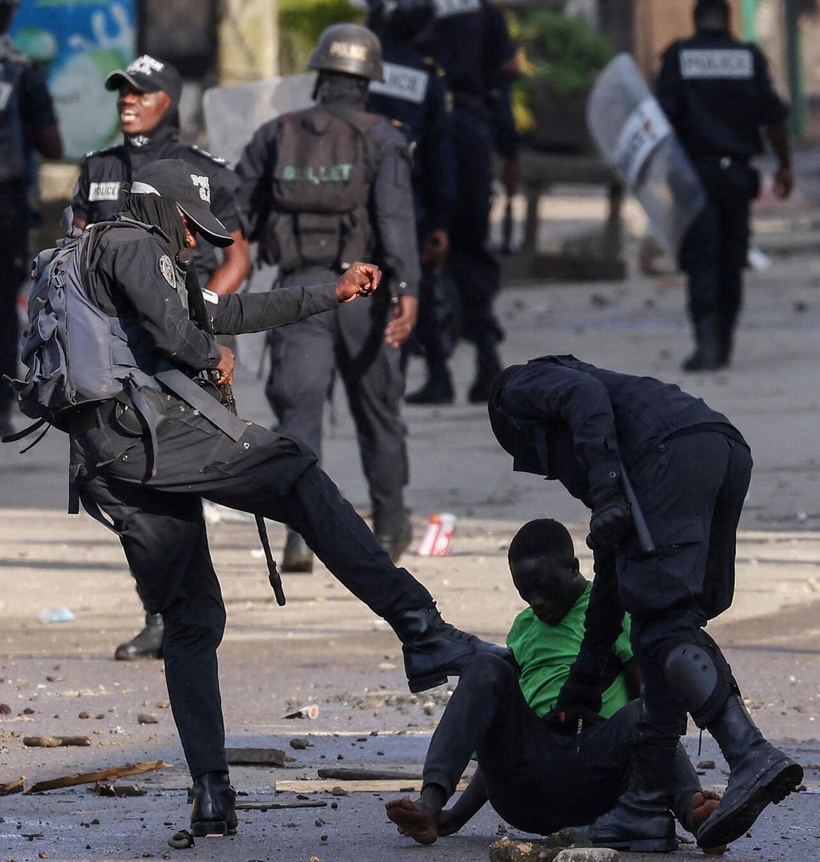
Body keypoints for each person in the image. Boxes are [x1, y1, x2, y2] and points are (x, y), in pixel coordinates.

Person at [46, 157, 507, 836]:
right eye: (191, 227)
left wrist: (331, 293)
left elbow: (227, 310)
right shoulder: (135, 244)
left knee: (191, 619)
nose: (196, 243)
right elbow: (183, 334)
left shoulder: (114, 255)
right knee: (293, 471)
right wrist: (210, 356)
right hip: (147, 442)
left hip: (109, 461)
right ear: (162, 209)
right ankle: (422, 630)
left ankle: (211, 793)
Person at [487, 355, 803, 852]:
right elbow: (613, 574)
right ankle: (645, 808)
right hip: (719, 446)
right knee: (656, 621)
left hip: (671, 454)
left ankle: (749, 753)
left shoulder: (520, 389)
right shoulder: (617, 437)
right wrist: (584, 682)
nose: (553, 471)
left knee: (662, 625)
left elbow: (582, 396)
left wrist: (606, 488)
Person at [385, 519, 724, 853]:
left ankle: (696, 815)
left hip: (595, 774)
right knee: (485, 666)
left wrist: (649, 802)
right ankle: (430, 803)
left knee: (649, 713)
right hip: (525, 791)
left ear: (574, 567)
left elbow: (651, 715)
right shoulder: (523, 628)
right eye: (525, 593)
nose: (537, 601)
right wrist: (455, 817)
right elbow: (504, 735)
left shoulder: (611, 607)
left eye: (545, 588)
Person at [71, 53, 252, 661]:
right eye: (121, 91)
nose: (127, 100)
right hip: (110, 356)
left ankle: (185, 612)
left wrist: (192, 317)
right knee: (122, 485)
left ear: (167, 100)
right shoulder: (97, 167)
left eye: (139, 92)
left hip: (178, 347)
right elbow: (75, 255)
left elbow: (237, 258)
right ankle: (159, 610)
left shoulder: (202, 172)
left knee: (174, 476)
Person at [236, 23, 419, 573]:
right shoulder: (384, 137)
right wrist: (407, 290)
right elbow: (394, 220)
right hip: (365, 292)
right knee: (378, 414)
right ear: (368, 80)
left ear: (320, 75)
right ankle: (389, 531)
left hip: (298, 293)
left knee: (298, 417)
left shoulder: (277, 133)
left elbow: (237, 215)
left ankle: (300, 537)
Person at [656, 0, 792, 371]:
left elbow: (659, 121)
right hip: (737, 177)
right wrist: (784, 167)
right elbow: (774, 117)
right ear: (729, 20)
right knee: (731, 259)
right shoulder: (748, 57)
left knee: (702, 258)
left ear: (695, 20)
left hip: (695, 176)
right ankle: (724, 341)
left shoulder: (678, 57)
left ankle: (707, 345)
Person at [414, 0, 521, 403]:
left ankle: (438, 373)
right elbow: (503, 81)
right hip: (473, 133)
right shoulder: (485, 12)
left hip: (422, 135)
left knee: (422, 248)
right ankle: (487, 361)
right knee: (471, 248)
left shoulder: (404, 6)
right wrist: (510, 151)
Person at [366, 0, 459, 405]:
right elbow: (441, 158)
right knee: (412, 284)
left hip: (358, 199)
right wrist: (440, 222)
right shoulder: (427, 77)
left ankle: (385, 381)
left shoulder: (358, 68)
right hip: (410, 199)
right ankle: (422, 376)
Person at [0, 0, 62, 436]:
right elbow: (52, 144)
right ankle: (1, 408)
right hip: (6, 205)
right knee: (4, 308)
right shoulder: (21, 71)